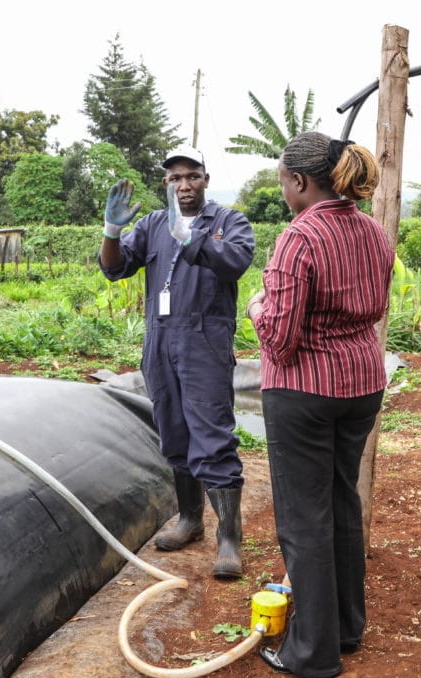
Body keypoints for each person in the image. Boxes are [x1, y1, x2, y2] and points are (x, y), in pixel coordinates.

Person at [246, 132, 394, 678]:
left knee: (304, 518)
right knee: (340, 502)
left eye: (282, 180)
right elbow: (374, 308)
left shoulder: (298, 238)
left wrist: (256, 306)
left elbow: (280, 340)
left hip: (304, 390)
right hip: (360, 383)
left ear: (300, 181)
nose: (281, 189)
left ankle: (311, 653)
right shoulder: (373, 232)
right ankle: (347, 628)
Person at [99, 147, 255, 580]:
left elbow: (236, 262)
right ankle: (190, 519)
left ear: (205, 179)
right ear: (165, 183)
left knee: (212, 437)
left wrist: (193, 239)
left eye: (191, 177)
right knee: (174, 433)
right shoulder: (151, 225)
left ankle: (229, 537)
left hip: (204, 343)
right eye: (174, 179)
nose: (183, 185)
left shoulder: (228, 222)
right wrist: (112, 230)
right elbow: (115, 269)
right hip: (160, 342)